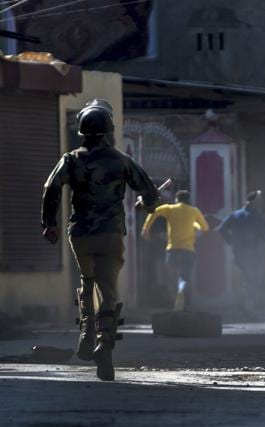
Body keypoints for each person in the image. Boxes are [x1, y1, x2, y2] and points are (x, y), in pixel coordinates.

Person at [41, 100, 159, 381]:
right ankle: (104, 344)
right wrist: (146, 203)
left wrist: (50, 224)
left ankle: (85, 331)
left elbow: (51, 187)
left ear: (82, 131)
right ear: (109, 130)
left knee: (87, 282)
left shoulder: (71, 160)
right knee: (108, 289)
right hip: (111, 233)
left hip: (81, 234)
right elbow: (150, 195)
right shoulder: (122, 160)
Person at [141, 190, 209, 311]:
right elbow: (205, 227)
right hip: (188, 250)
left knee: (172, 276)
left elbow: (154, 212)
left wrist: (146, 229)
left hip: (172, 250)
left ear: (177, 199)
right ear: (188, 199)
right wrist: (194, 226)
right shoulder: (194, 211)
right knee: (184, 277)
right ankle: (181, 291)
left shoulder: (169, 208)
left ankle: (175, 300)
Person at [218, 191, 265, 317]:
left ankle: (243, 302)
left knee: (244, 277)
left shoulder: (235, 215)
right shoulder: (256, 216)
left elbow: (221, 229)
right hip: (252, 252)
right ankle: (249, 306)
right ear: (253, 202)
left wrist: (230, 241)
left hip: (238, 252)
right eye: (259, 200)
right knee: (253, 280)